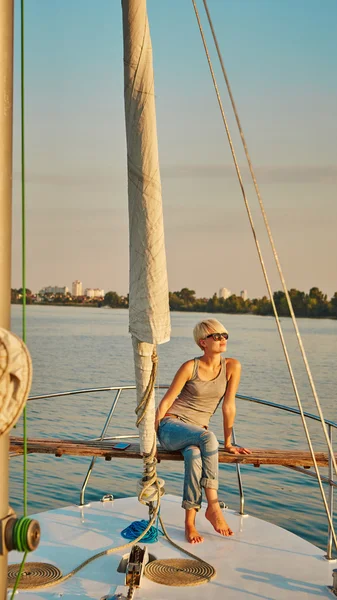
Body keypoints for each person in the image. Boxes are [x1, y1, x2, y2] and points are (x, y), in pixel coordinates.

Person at [155, 318, 251, 544]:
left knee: (194, 455)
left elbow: (229, 405)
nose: (222, 339)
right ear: (202, 343)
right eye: (216, 336)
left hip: (197, 436)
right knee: (207, 438)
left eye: (225, 335)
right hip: (171, 427)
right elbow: (167, 401)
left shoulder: (232, 367)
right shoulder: (190, 367)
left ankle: (190, 522)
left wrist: (228, 443)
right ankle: (213, 507)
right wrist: (154, 433)